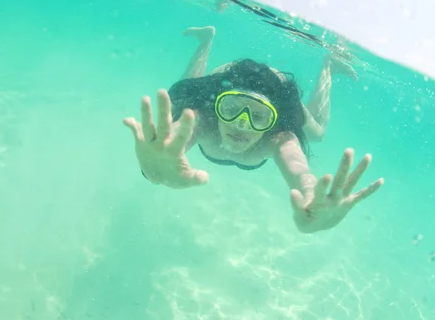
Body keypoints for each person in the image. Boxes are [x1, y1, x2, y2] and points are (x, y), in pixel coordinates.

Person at [123, 26, 384, 234]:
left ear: (273, 122)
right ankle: (206, 41)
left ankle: (328, 65)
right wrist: (152, 166)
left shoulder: (279, 138)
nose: (241, 123)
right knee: (186, 93)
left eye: (259, 117)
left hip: (278, 87)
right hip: (227, 77)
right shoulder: (202, 120)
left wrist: (312, 197)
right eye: (231, 109)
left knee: (317, 134)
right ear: (218, 108)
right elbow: (172, 140)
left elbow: (300, 172)